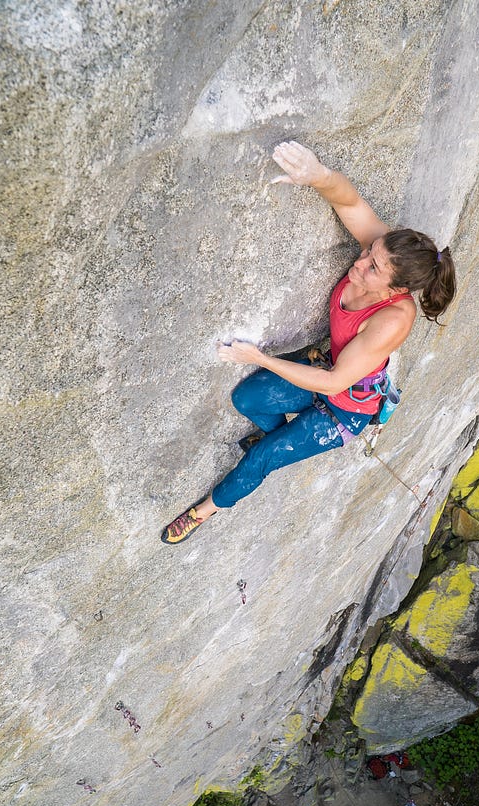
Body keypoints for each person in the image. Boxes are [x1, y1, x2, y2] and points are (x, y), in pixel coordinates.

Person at [161, 141, 456, 544]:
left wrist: (260, 358)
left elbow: (334, 384)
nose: (360, 262)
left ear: (396, 289)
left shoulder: (392, 320)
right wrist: (318, 176)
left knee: (261, 459)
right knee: (246, 399)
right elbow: (350, 204)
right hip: (328, 367)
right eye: (369, 251)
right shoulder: (389, 257)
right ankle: (279, 435)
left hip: (346, 406)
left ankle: (204, 511)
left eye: (373, 268)